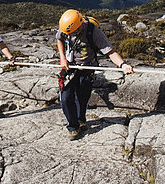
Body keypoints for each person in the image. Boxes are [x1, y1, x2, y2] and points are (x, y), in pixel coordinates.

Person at [56, 9, 134, 140]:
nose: (71, 34)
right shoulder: (66, 28)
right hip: (70, 66)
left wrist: (122, 65)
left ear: (80, 26)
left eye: (74, 32)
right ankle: (73, 126)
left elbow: (110, 52)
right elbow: (59, 39)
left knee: (82, 97)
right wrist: (62, 57)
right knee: (65, 97)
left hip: (87, 67)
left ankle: (81, 120)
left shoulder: (94, 33)